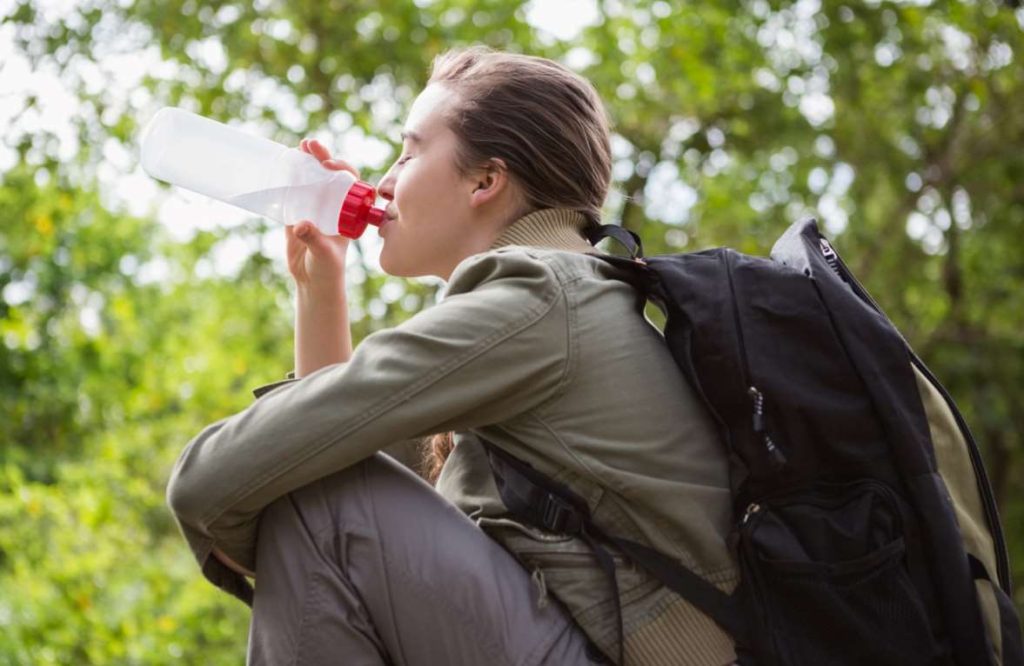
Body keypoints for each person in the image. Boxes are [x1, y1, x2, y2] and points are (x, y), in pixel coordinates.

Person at [166, 45, 739, 666]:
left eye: (409, 153)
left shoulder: (538, 299)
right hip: (583, 642)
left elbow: (210, 482)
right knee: (312, 486)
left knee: (312, 498)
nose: (383, 181)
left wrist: (246, 528)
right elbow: (326, 457)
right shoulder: (571, 293)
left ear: (485, 181)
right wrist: (320, 291)